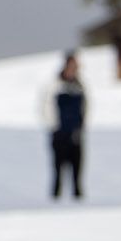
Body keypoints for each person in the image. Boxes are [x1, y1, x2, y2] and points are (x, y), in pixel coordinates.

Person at [40, 51, 87, 201]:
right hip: (60, 133)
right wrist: (54, 126)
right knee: (58, 170)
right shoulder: (55, 85)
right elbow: (46, 106)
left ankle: (78, 202)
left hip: (75, 134)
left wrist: (81, 126)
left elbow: (85, 107)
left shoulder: (79, 86)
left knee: (77, 171)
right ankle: (55, 201)